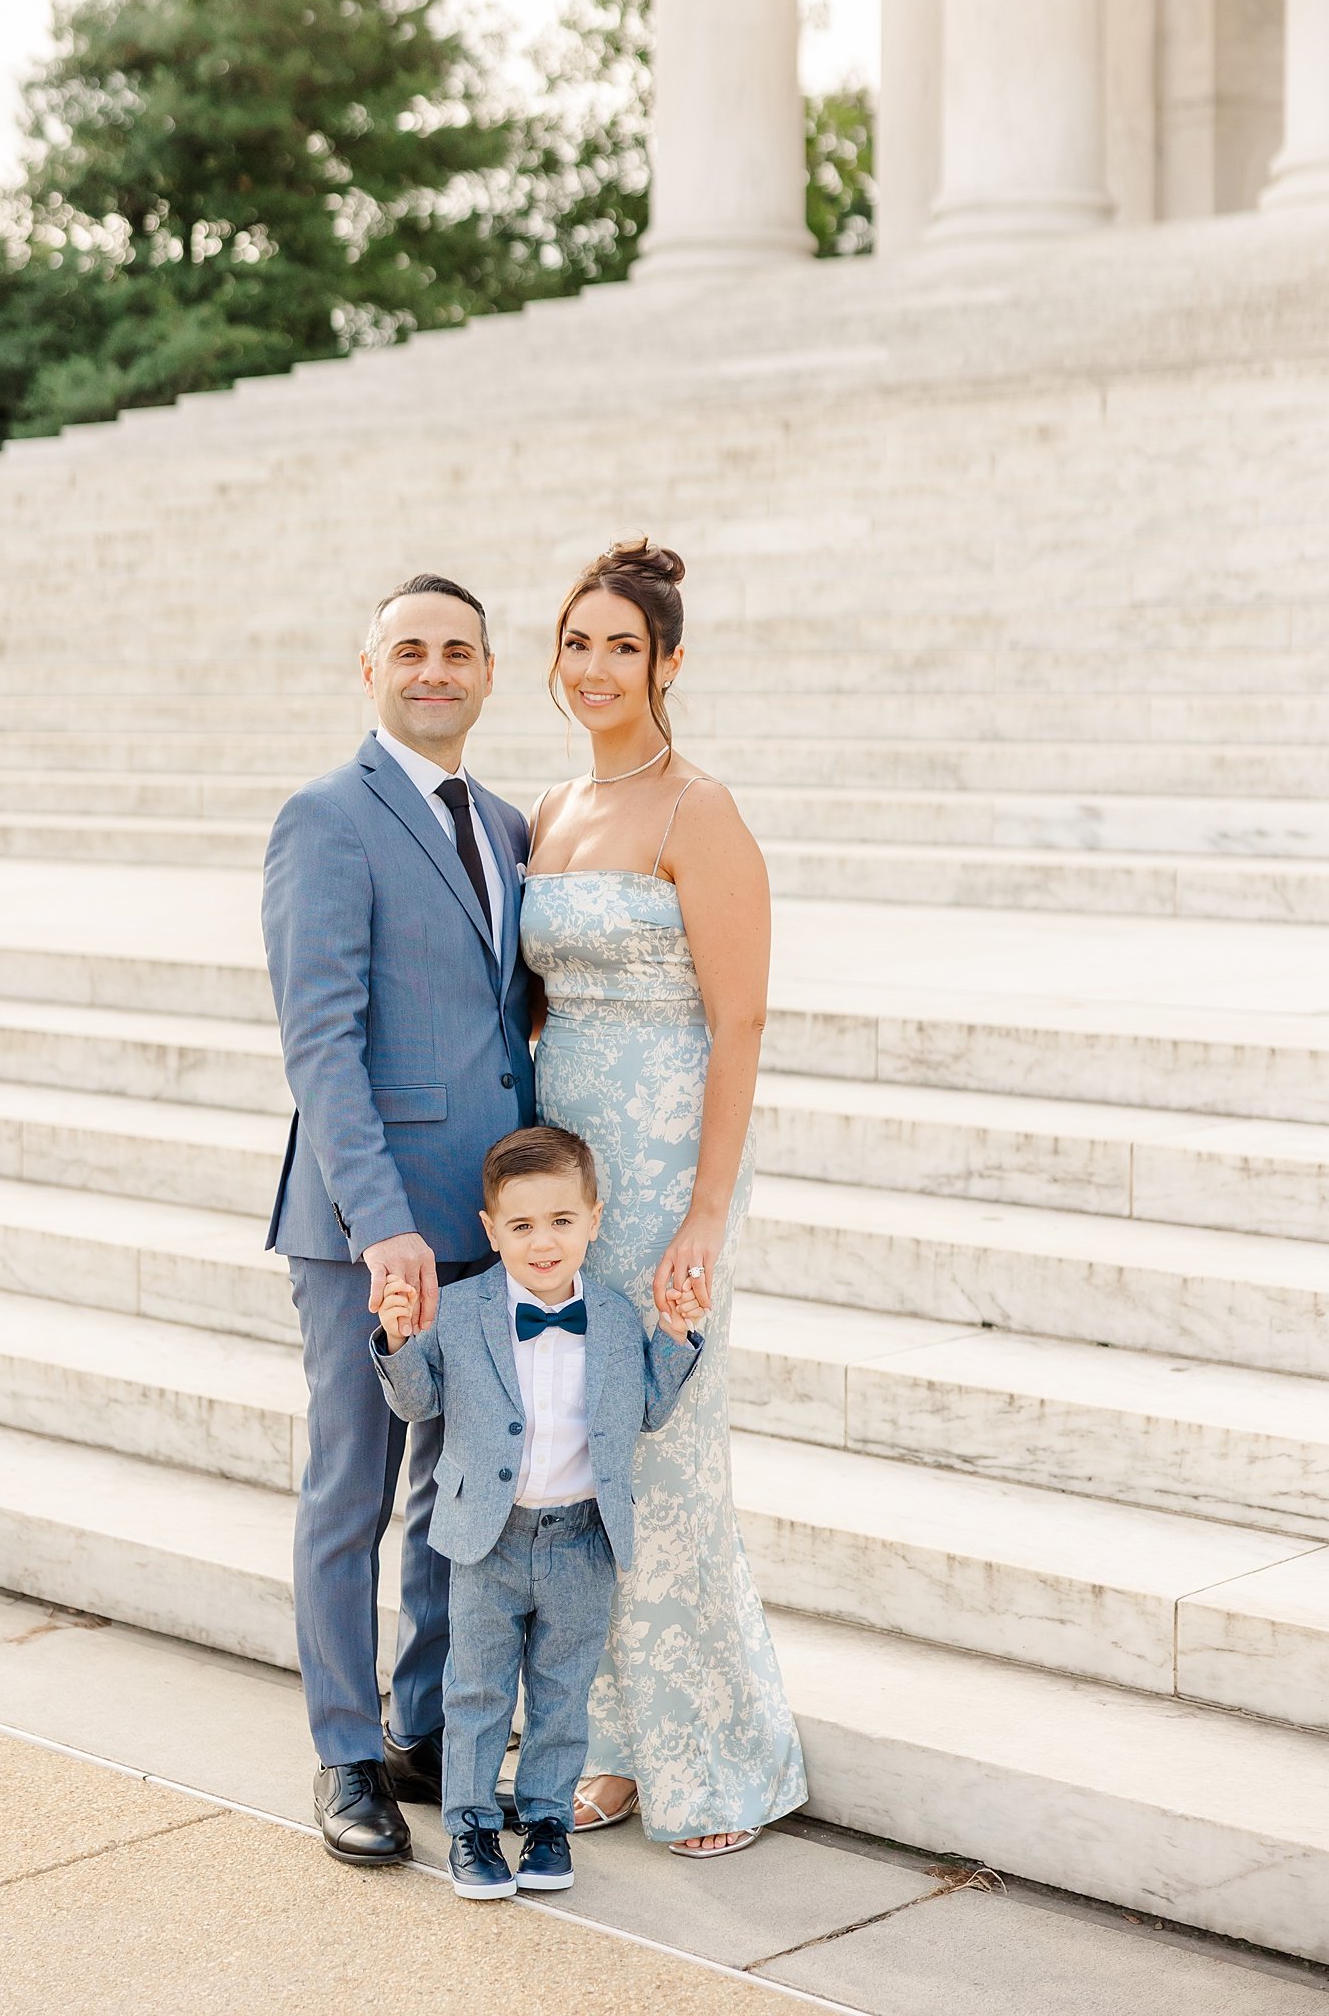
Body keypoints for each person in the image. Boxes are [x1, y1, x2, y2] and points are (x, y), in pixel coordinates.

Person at [519, 538, 808, 1858]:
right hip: (566, 1168)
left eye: (620, 646)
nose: (595, 667)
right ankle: (611, 1743)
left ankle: (713, 1748)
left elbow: (738, 1023)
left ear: (668, 663)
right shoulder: (550, 814)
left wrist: (706, 1212)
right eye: (576, 643)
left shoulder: (702, 810)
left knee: (666, 1451)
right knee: (580, 1449)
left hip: (669, 1163)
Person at [261, 573, 535, 1866]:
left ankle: (422, 1727)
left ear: (488, 673)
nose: (437, 668)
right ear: (365, 668)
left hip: (484, 1217)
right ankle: (344, 1750)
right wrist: (381, 1225)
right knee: (352, 1490)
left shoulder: (512, 823)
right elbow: (321, 1042)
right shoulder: (326, 818)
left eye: (459, 650)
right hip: (368, 1227)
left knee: (454, 1494)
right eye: (410, 648)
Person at [370, 1124, 705, 1899]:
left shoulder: (619, 1319)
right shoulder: (458, 1309)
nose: (543, 1242)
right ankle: (471, 1828)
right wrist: (398, 1339)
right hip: (489, 1541)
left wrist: (678, 1336)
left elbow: (648, 1412)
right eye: (521, 1226)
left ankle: (549, 1821)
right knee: (478, 1690)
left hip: (582, 1538)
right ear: (491, 1232)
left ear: (594, 1217)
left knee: (562, 1690)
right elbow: (418, 1404)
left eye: (561, 1221)